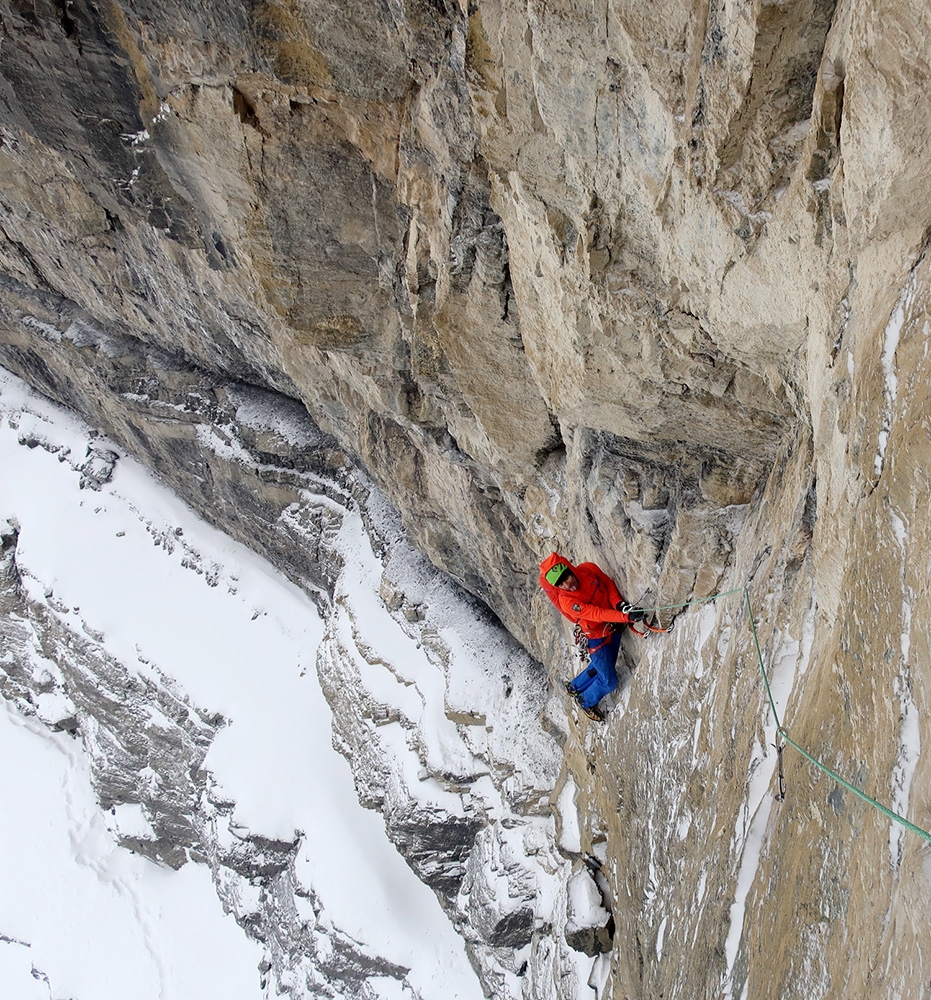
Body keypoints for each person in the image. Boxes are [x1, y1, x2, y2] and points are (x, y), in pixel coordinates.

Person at [538, 552, 645, 721]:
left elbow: (608, 583)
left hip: (612, 627)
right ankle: (585, 701)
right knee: (609, 682)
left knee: (602, 665)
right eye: (561, 584)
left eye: (566, 576)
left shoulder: (587, 568)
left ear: (569, 568)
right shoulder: (568, 602)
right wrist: (626, 616)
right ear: (557, 587)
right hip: (598, 636)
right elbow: (597, 614)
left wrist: (619, 604)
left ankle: (576, 686)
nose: (568, 584)